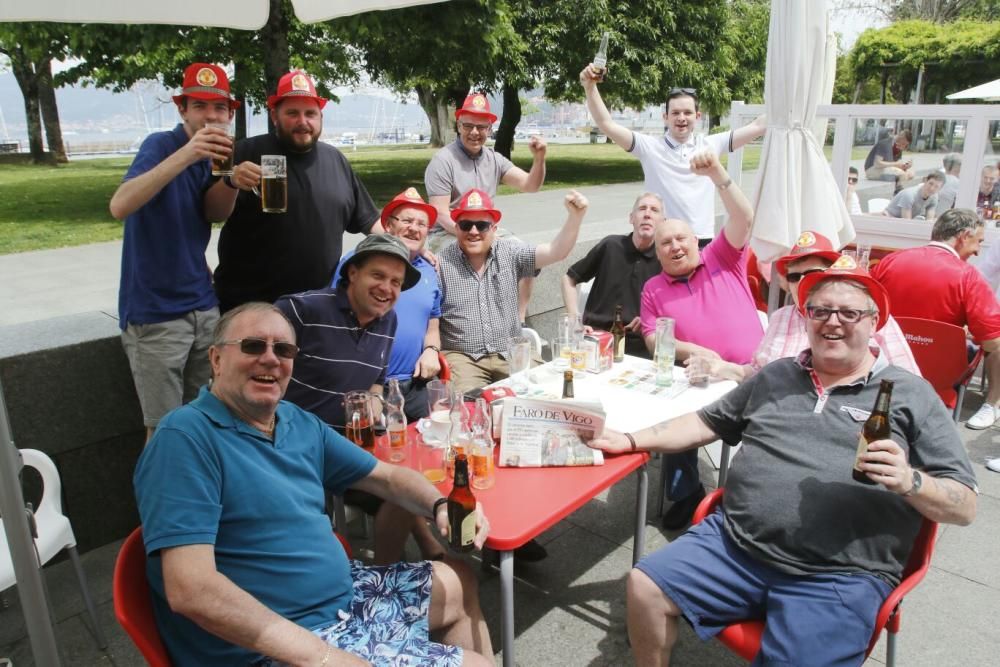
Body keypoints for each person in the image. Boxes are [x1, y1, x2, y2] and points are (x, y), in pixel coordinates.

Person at [588, 258, 977, 666]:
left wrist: (911, 481)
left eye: (849, 312)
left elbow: (965, 505)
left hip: (838, 576)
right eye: (820, 310)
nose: (833, 322)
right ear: (805, 318)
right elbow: (704, 422)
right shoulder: (776, 376)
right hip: (734, 545)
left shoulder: (910, 394)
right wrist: (630, 438)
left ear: (874, 322)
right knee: (644, 585)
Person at [133, 302, 494, 666]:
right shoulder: (185, 438)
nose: (271, 359)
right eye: (253, 346)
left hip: (345, 599)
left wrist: (440, 505)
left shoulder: (294, 421)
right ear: (215, 359)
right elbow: (191, 590)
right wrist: (323, 657)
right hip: (276, 644)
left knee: (459, 579)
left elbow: (386, 477)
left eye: (284, 350)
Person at [109, 62, 238, 441]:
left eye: (218, 108)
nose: (210, 116)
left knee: (206, 417)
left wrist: (230, 179)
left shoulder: (214, 156)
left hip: (202, 304)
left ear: (230, 114)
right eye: (199, 106)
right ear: (182, 109)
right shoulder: (160, 145)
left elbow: (214, 213)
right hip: (156, 313)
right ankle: (159, 501)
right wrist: (187, 153)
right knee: (163, 428)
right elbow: (120, 205)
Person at [639, 151, 763, 530]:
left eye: (681, 239)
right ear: (656, 252)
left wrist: (718, 175)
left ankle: (752, 497)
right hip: (701, 378)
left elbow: (744, 218)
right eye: (665, 244)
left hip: (752, 376)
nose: (675, 247)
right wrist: (689, 349)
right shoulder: (653, 288)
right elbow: (649, 338)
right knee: (673, 414)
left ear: (696, 240)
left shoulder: (722, 258)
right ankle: (686, 492)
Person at [213, 70, 380, 312]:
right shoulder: (245, 152)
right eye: (292, 113)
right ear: (274, 115)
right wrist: (231, 182)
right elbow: (210, 214)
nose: (303, 121)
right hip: (252, 308)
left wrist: (407, 248)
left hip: (317, 308)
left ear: (320, 116)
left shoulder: (335, 160)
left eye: (310, 113)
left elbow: (369, 220)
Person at [580, 64, 766, 245]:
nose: (681, 118)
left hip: (701, 240)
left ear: (697, 116)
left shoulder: (710, 144)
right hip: (663, 242)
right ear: (665, 117)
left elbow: (758, 126)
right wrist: (590, 88)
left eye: (687, 112)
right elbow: (607, 124)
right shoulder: (650, 147)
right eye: (675, 112)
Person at [698, 232, 920, 383]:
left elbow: (909, 381)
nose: (803, 281)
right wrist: (727, 368)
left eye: (812, 273)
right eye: (795, 276)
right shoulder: (781, 317)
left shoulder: (865, 317)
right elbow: (760, 372)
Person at [439, 188, 589, 395]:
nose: (473, 231)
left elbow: (556, 251)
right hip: (464, 357)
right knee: (469, 408)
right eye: (466, 225)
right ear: (456, 228)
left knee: (550, 392)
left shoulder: (510, 252)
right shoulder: (440, 263)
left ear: (494, 228)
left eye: (482, 225)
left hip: (510, 351)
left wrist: (575, 217)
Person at [276, 234, 420, 433]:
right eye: (378, 275)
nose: (386, 288)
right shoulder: (301, 310)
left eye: (396, 282)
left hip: (351, 444)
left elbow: (377, 381)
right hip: (292, 441)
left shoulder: (388, 320)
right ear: (353, 273)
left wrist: (376, 400)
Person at [871, 209, 1000, 429]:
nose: (978, 251)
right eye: (978, 241)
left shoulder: (889, 262)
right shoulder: (967, 277)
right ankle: (993, 403)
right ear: (963, 237)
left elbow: (865, 309)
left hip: (886, 363)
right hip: (941, 374)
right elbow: (992, 342)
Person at [424, 92, 546, 322]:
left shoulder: (494, 159)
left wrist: (539, 159)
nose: (474, 132)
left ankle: (518, 322)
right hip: (447, 231)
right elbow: (439, 213)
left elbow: (531, 185)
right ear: (458, 125)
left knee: (529, 256)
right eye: (468, 125)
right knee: (478, 258)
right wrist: (476, 235)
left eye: (481, 127)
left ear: (490, 129)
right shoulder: (443, 160)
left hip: (486, 228)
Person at [335, 188, 443, 422]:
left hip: (417, 384)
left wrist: (432, 350)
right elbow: (334, 317)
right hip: (367, 386)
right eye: (407, 220)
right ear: (388, 225)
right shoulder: (358, 262)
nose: (414, 228)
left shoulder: (430, 271)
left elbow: (432, 323)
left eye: (421, 224)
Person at [560, 192, 664, 358]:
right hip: (595, 338)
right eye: (642, 208)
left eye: (654, 210)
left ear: (662, 222)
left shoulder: (664, 258)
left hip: (639, 344)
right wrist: (575, 320)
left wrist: (651, 320)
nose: (647, 214)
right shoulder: (611, 246)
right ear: (631, 218)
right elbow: (569, 279)